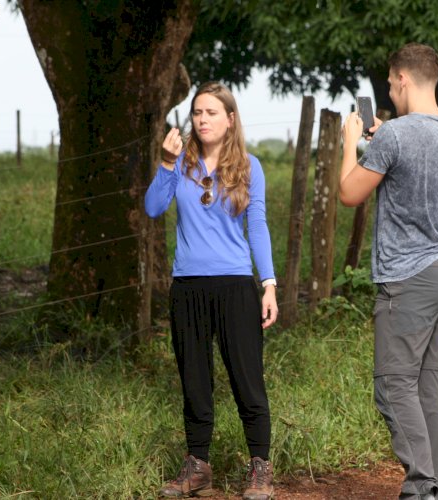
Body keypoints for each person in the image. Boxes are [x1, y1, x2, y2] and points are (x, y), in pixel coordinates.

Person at [339, 43, 438, 500]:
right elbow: (416, 163)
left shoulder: (395, 135)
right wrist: (383, 139)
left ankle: (422, 487)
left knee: (394, 387)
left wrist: (348, 144)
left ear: (402, 79)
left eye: (392, 82)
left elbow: (349, 193)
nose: (391, 90)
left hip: (408, 277)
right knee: (427, 385)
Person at [145, 81, 278, 500]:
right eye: (197, 113)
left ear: (230, 119)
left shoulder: (249, 167)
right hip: (187, 286)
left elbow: (256, 226)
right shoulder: (180, 164)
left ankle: (260, 467)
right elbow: (152, 208)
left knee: (247, 379)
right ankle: (198, 466)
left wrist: (269, 283)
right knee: (195, 380)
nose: (202, 120)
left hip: (236, 286)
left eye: (211, 113)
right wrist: (166, 163)